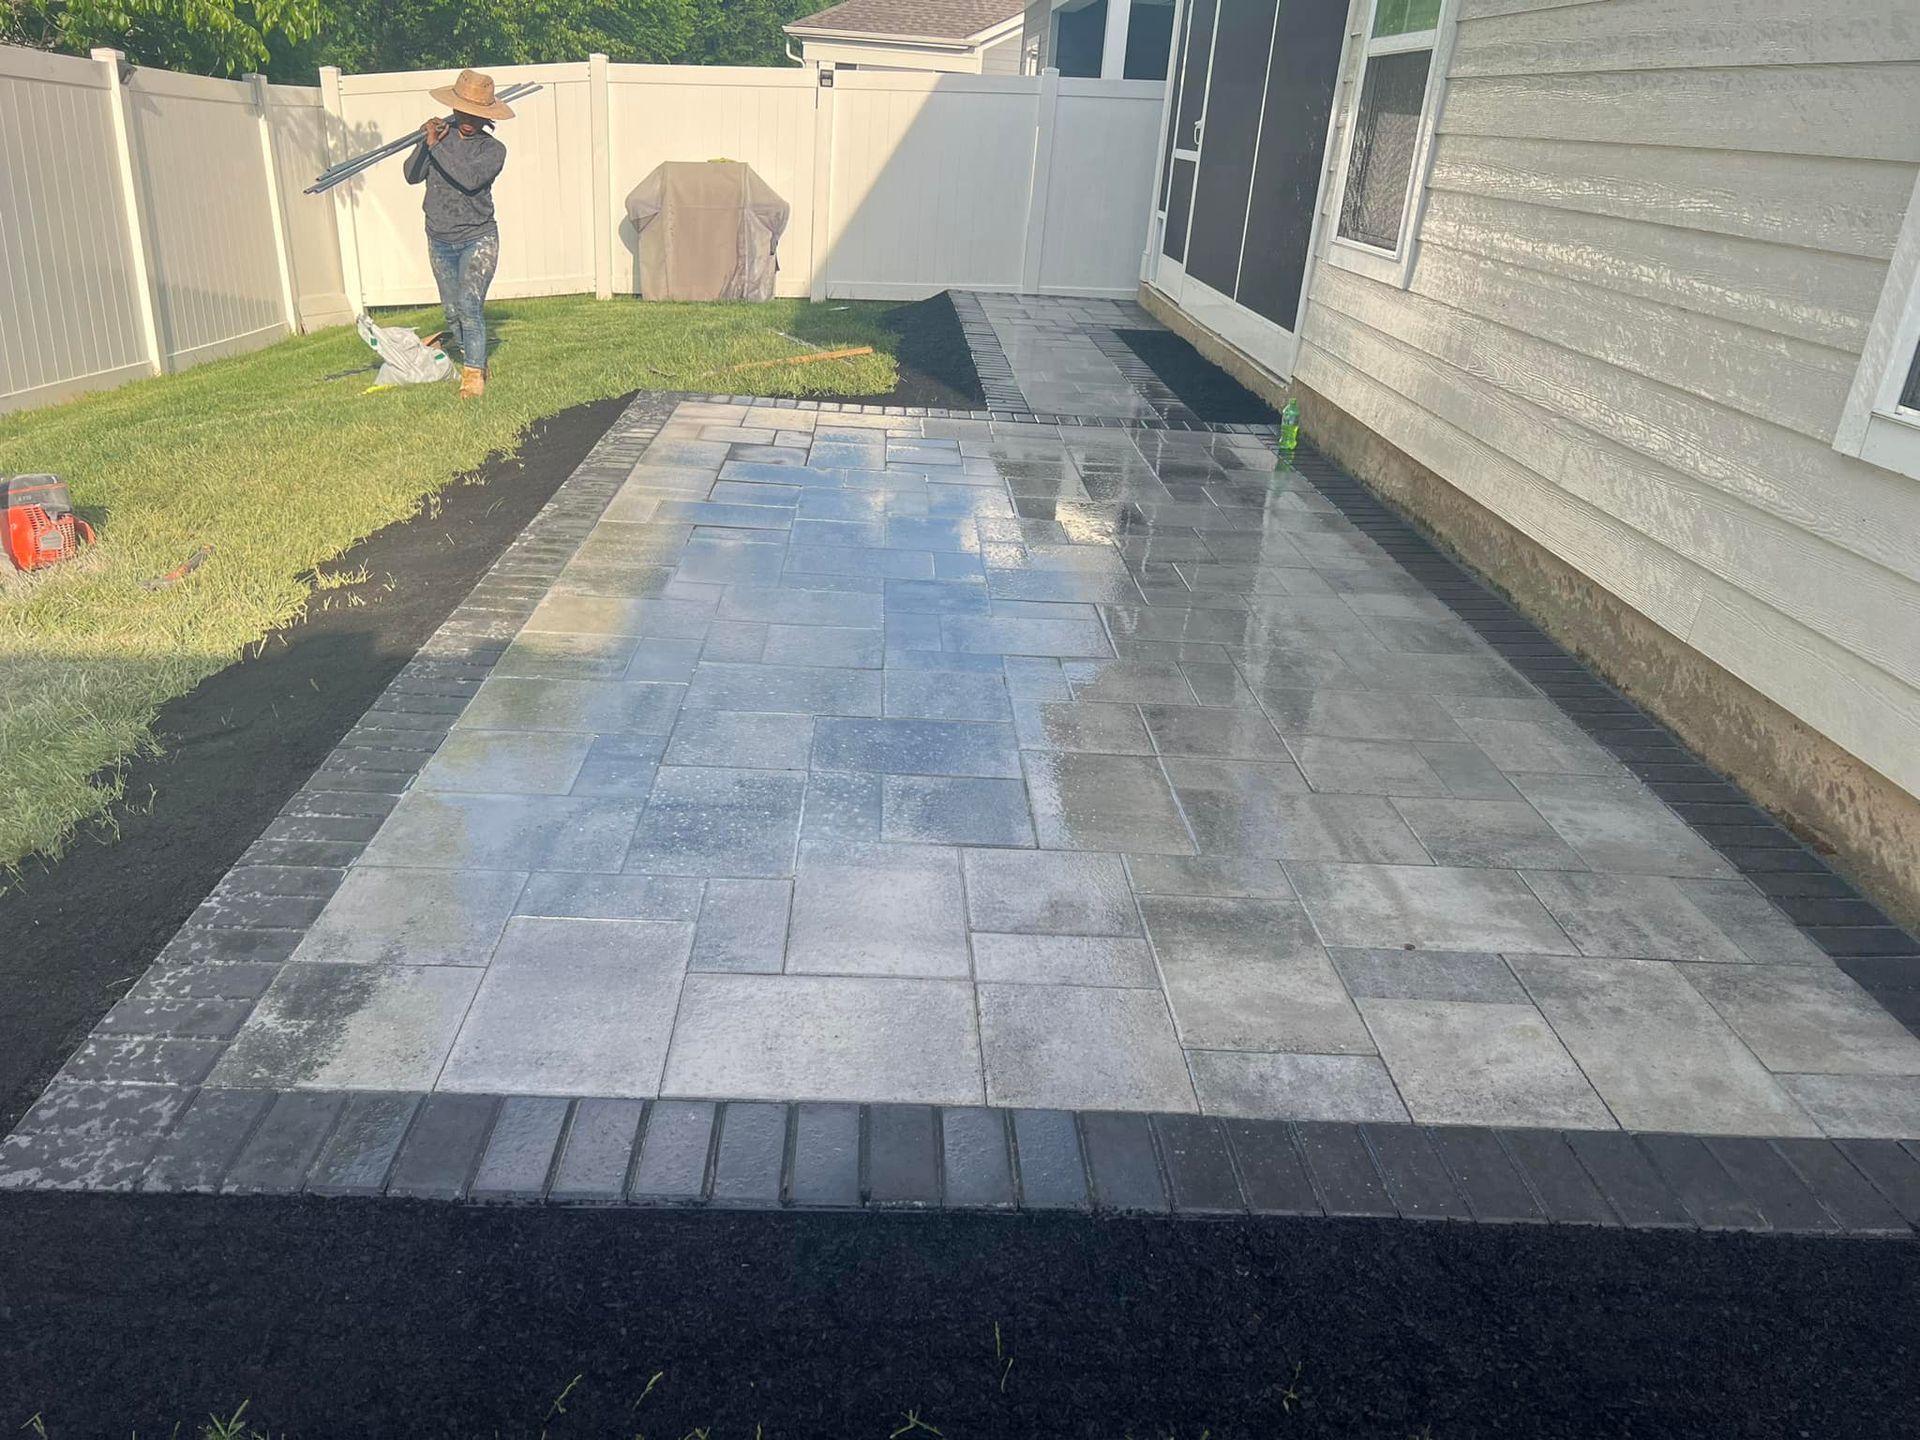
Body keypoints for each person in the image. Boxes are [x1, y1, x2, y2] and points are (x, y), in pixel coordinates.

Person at [403, 69, 512, 399]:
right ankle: (474, 359)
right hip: (439, 236)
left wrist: (436, 147)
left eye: (478, 115)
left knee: (469, 304)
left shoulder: (493, 150)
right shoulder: (440, 137)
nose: (469, 120)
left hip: (478, 237)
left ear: (487, 117)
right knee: (451, 311)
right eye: (465, 112)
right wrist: (425, 145)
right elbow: (411, 175)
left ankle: (473, 376)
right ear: (455, 108)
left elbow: (469, 178)